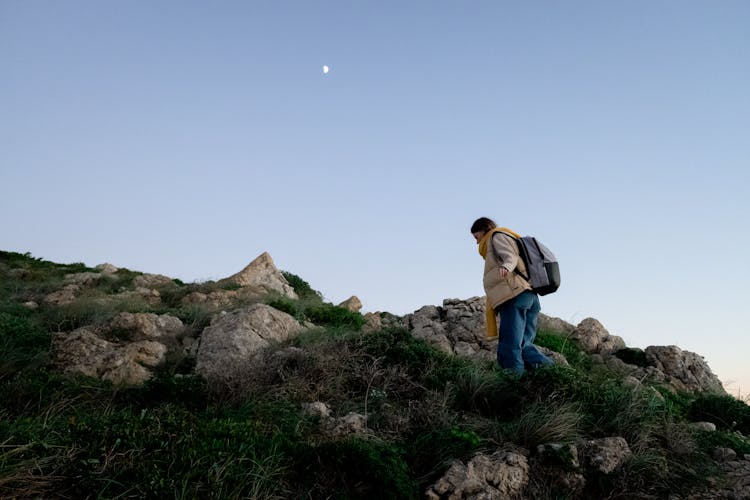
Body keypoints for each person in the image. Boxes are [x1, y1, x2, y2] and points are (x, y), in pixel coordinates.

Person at [471, 217, 553, 375]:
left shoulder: (496, 236)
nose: (476, 242)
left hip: (514, 296)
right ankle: (554, 374)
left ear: (483, 230)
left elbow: (511, 256)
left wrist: (506, 267)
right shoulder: (505, 236)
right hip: (528, 296)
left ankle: (512, 385)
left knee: (509, 347)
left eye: (476, 237)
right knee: (523, 345)